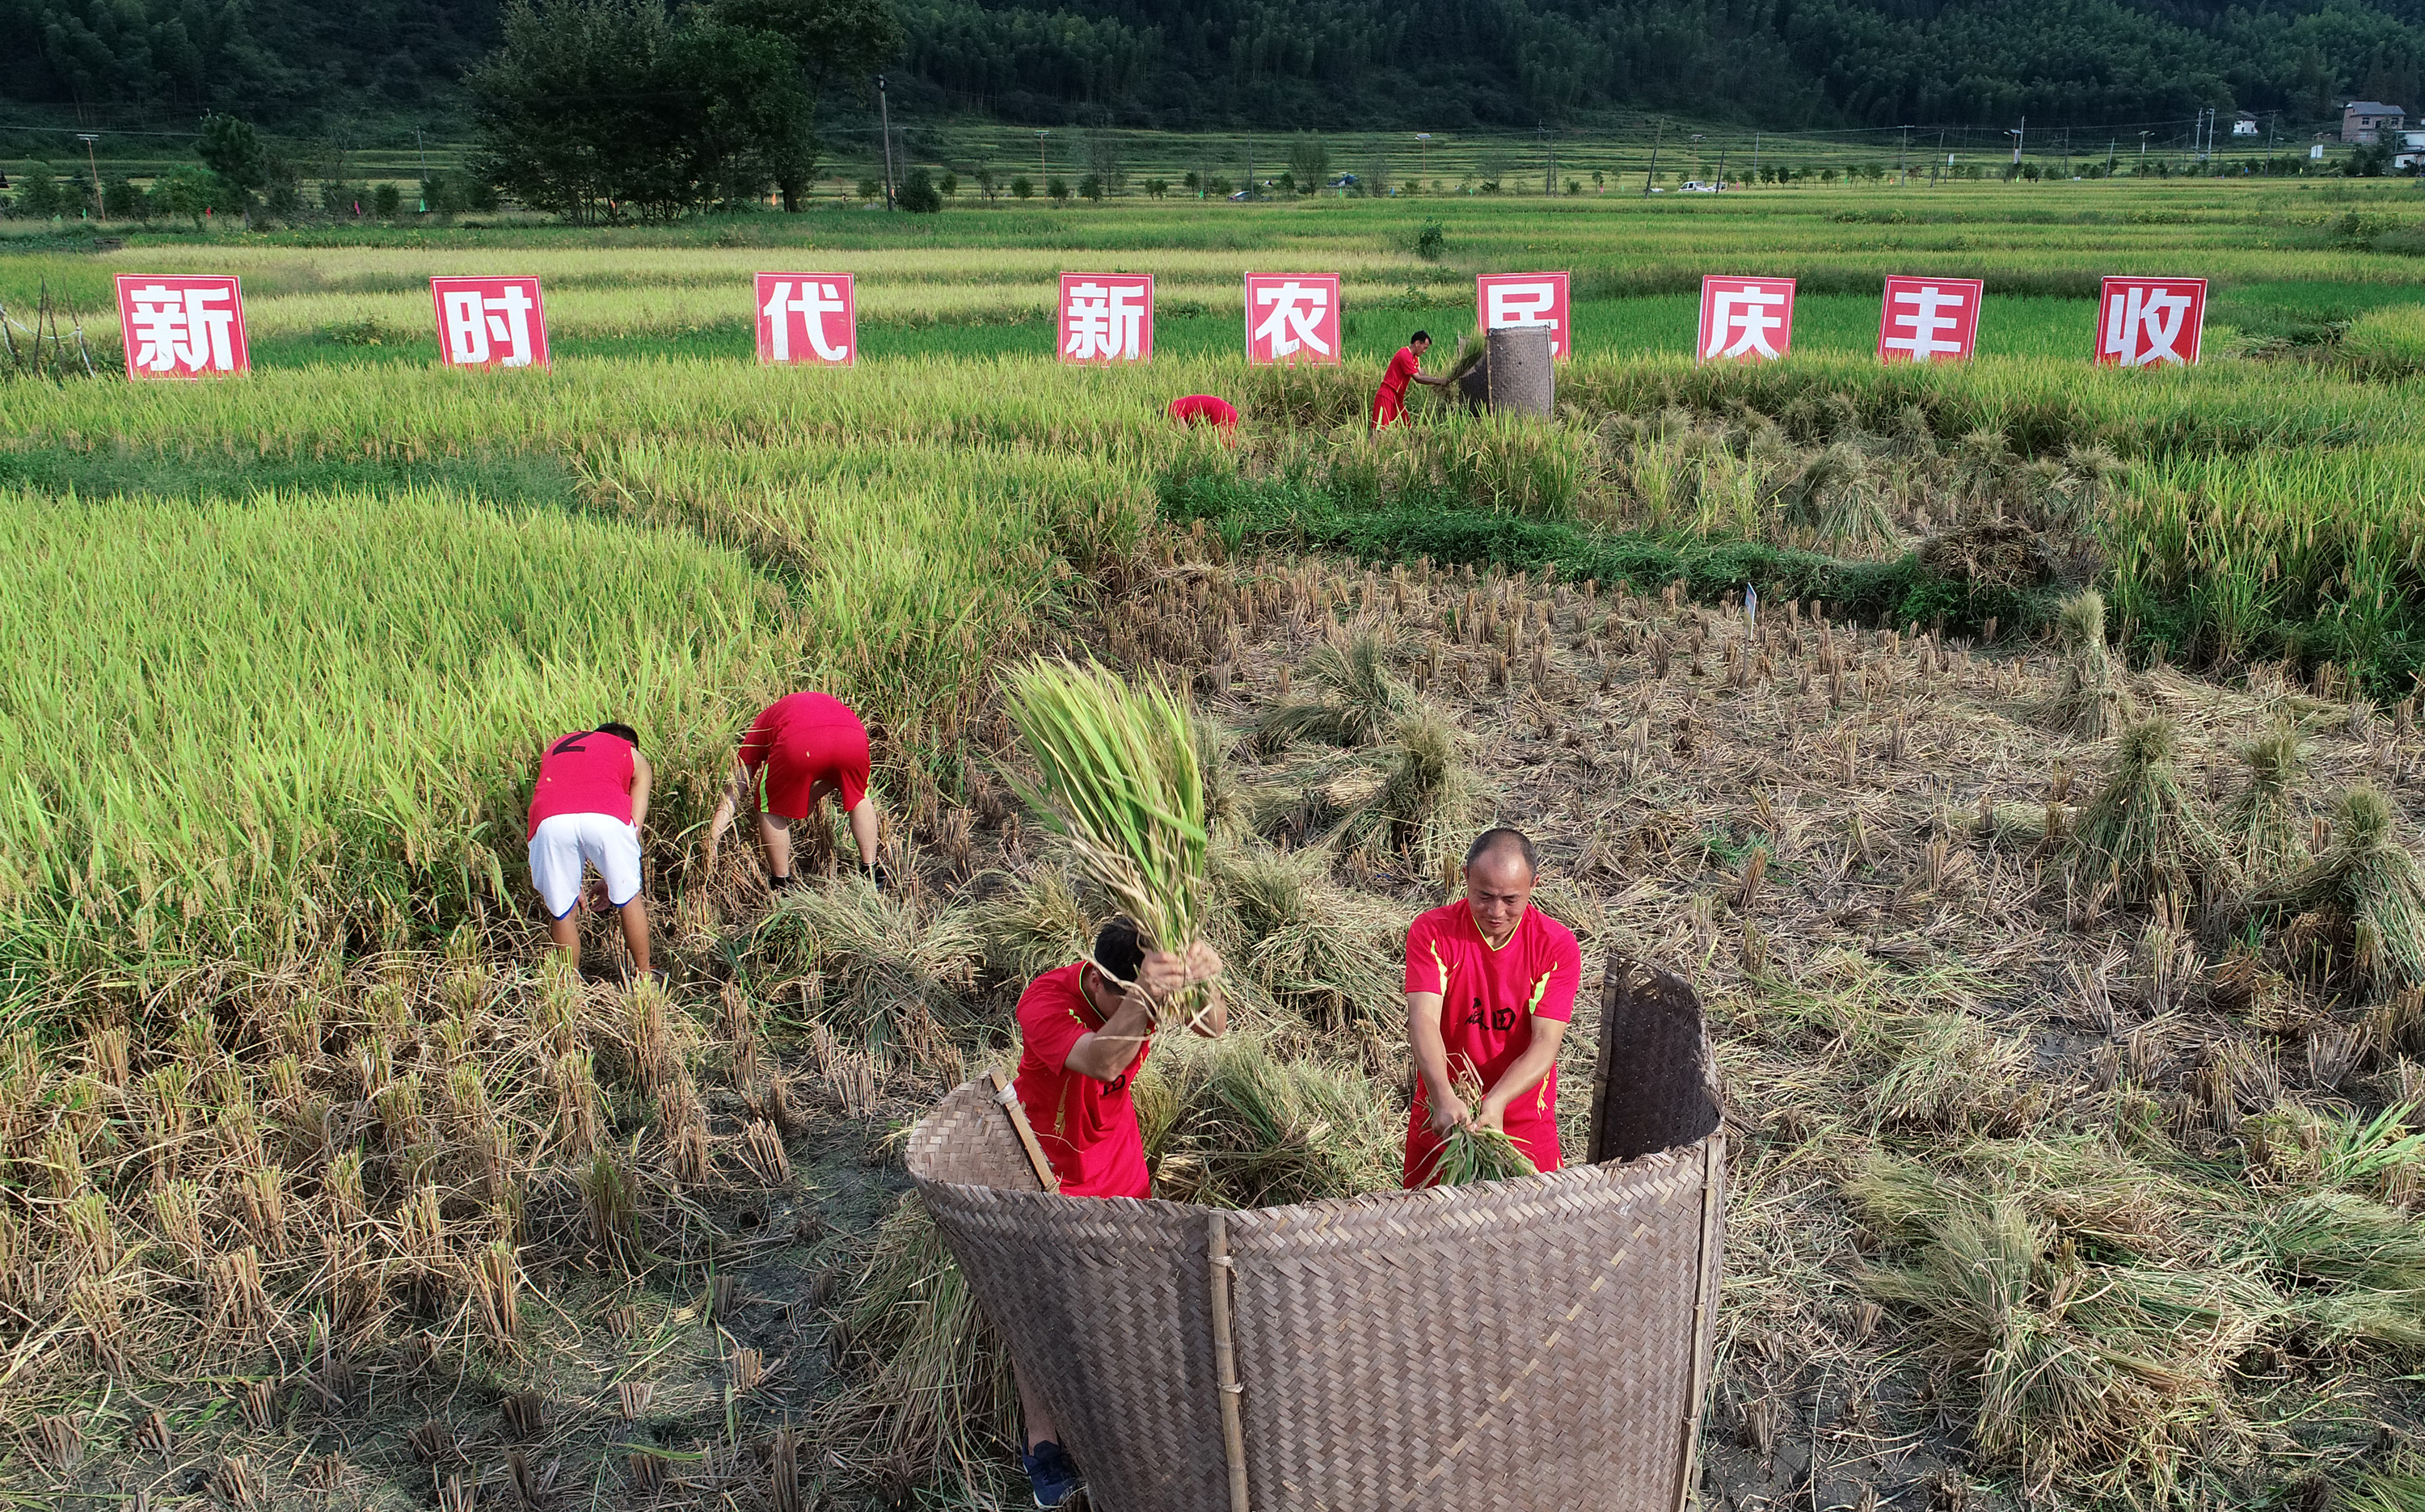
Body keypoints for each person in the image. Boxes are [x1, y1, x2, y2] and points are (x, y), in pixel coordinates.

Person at [1009, 917, 1226, 1508]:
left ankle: (1120, 1422)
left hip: (1121, 1168)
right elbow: (1101, 1061)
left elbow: (1214, 1027)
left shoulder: (1145, 996)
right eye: (1127, 1000)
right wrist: (1144, 1001)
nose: (1149, 1019)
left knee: (1125, 1304)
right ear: (1103, 983)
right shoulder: (1046, 999)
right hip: (1047, 1175)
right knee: (1040, 1311)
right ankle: (1043, 1439)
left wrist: (1202, 980)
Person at [1402, 827, 1581, 1186]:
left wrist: (1496, 1101)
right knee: (1426, 1225)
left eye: (1511, 899)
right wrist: (1442, 1096)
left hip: (1521, 1116)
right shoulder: (1433, 932)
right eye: (1484, 896)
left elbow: (1546, 1042)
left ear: (1534, 885)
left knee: (1536, 1224)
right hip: (1445, 1110)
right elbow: (1422, 1018)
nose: (1496, 911)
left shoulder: (1556, 947)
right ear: (1465, 877)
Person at [705, 691, 880, 889]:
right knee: (859, 794)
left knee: (768, 805)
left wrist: (712, 839)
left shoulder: (761, 724)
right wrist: (813, 796)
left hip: (798, 743)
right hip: (853, 738)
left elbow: (737, 788)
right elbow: (841, 775)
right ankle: (871, 871)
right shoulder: (818, 705)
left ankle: (781, 884)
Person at [525, 722, 654, 979]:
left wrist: (573, 882)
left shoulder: (560, 745)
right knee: (629, 898)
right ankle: (645, 978)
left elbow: (570, 801)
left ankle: (569, 989)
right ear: (630, 745)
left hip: (549, 821)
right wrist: (612, 876)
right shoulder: (630, 752)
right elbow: (633, 829)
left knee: (562, 910)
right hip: (606, 818)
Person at [1370, 329, 1449, 430]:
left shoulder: (1414, 357)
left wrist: (1438, 382)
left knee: (1406, 427)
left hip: (1397, 399)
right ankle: (1369, 446)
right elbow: (1418, 378)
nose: (1424, 351)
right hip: (1387, 395)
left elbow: (1422, 374)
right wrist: (1440, 381)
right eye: (1424, 348)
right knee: (1380, 431)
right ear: (1417, 343)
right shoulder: (1404, 355)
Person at [1167, 393, 1239, 432]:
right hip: (1230, 411)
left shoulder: (1173, 408)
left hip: (1220, 413)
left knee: (1222, 449)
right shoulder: (1179, 405)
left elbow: (1184, 431)